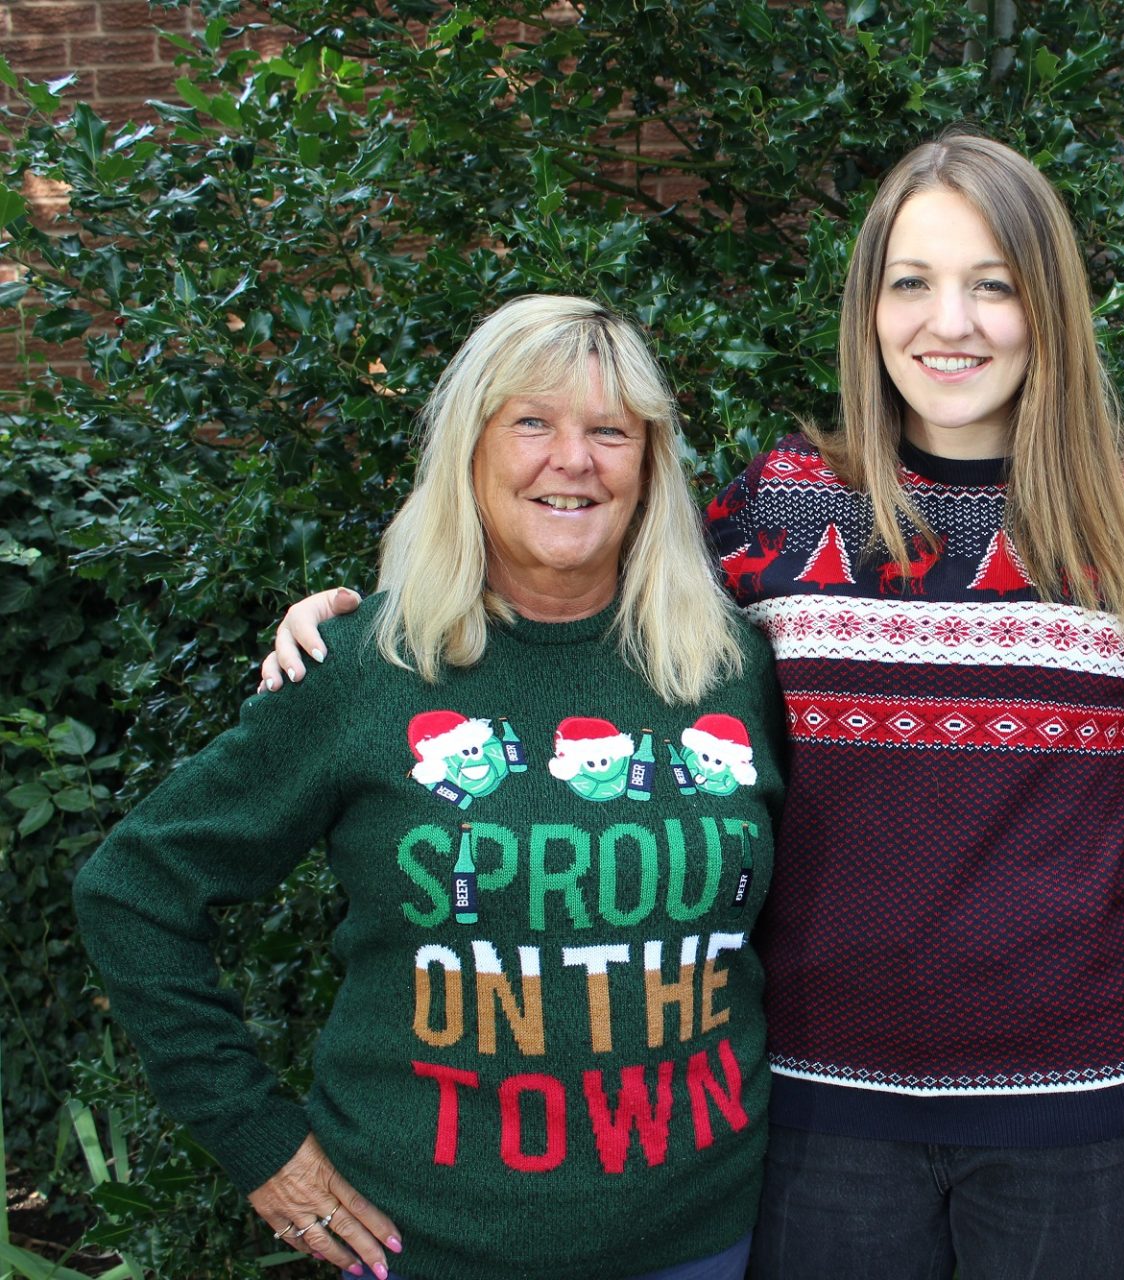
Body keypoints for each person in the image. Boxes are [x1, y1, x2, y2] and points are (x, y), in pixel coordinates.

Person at [257, 136, 1124, 1278]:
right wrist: (360, 620)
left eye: (992, 284)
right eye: (913, 284)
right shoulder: (777, 509)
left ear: (1045, 307)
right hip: (815, 1103)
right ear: (869, 307)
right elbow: (558, 571)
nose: (952, 323)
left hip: (1087, 1107)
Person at [74, 296, 787, 1280]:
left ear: (651, 465)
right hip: (426, 1247)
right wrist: (261, 1145)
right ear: (471, 449)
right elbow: (135, 887)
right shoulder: (367, 667)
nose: (572, 459)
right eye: (532, 422)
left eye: (609, 430)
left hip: (703, 1239)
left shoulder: (734, 667)